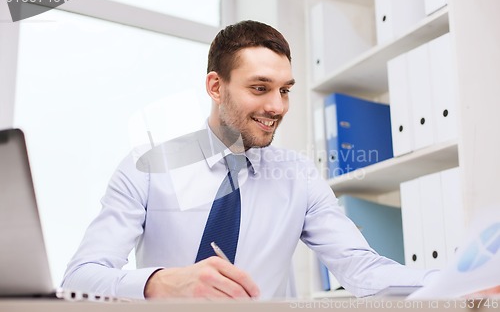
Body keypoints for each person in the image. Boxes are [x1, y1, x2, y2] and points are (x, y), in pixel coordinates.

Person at [62, 20, 438, 300]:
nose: (276, 106)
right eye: (260, 88)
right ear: (215, 86)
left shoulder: (299, 176)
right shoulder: (146, 167)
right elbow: (80, 278)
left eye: (285, 90)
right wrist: (161, 282)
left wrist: (453, 282)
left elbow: (363, 269)